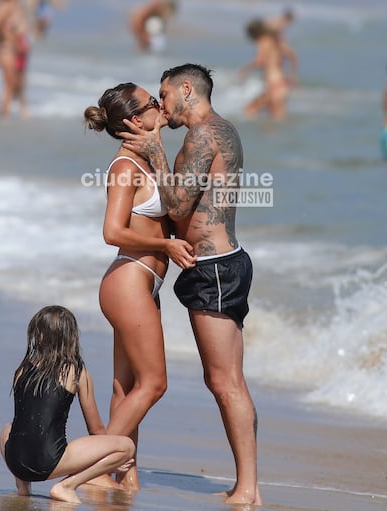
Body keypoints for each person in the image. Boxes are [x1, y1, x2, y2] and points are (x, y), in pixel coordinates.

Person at [118, 63, 261, 505]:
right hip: (226, 262)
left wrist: (155, 149)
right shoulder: (223, 129)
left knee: (224, 382)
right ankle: (247, 485)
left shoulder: (201, 135)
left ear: (186, 89)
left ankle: (249, 490)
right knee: (229, 380)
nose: (162, 104)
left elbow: (179, 205)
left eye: (165, 94)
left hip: (214, 268)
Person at [83, 83, 195, 490]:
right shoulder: (125, 167)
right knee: (154, 384)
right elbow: (112, 232)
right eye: (152, 102)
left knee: (124, 387)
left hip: (140, 283)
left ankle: (124, 474)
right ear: (134, 120)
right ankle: (91, 468)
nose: (159, 106)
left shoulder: (145, 161)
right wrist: (163, 243)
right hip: (128, 278)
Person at [0, 305, 135, 504]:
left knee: (8, 428)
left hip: (15, 460)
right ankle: (67, 486)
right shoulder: (77, 373)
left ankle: (22, 485)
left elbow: (25, 421)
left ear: (37, 335)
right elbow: (95, 428)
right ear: (71, 337)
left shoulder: (21, 370)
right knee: (126, 446)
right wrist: (110, 462)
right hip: (47, 461)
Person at [239, 18, 291, 120]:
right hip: (281, 83)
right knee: (276, 117)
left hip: (273, 84)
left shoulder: (262, 41)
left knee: (249, 110)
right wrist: (293, 74)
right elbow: (291, 55)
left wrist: (246, 69)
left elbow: (259, 61)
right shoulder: (274, 41)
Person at [0, 0, 31, 119]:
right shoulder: (5, 6)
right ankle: (3, 117)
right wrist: (6, 31)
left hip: (16, 50)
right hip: (6, 49)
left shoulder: (16, 5)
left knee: (18, 82)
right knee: (9, 86)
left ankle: (13, 114)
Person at [266, 6, 299, 86]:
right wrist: (281, 42)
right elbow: (277, 32)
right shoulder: (282, 21)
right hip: (273, 42)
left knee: (279, 60)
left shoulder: (276, 19)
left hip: (269, 41)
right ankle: (292, 76)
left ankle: (284, 76)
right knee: (293, 56)